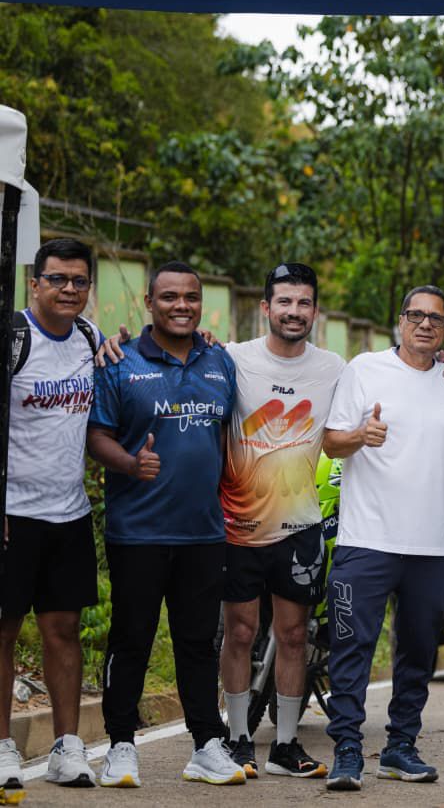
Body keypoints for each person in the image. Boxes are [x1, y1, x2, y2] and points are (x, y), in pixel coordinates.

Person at [87, 262, 242, 787]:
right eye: (170, 297)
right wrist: (131, 464)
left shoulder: (220, 361)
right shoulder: (120, 361)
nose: (182, 306)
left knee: (198, 644)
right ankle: (120, 746)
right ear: (149, 303)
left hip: (204, 532)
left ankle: (206, 745)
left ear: (202, 304)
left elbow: (226, 435)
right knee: (131, 639)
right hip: (138, 532)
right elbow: (97, 436)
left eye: (191, 297)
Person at [320, 285, 444, 791]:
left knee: (419, 651)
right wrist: (361, 436)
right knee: (351, 649)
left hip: (428, 546)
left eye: (436, 318)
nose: (425, 324)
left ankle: (400, 747)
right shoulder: (363, 369)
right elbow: (331, 442)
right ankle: (346, 749)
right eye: (416, 315)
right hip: (367, 540)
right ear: (400, 321)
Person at [218, 263, 345, 779]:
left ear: (315, 311)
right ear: (265, 307)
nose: (295, 312)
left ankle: (287, 746)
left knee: (294, 637)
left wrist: (442, 359)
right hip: (239, 524)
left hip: (300, 526)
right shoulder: (231, 358)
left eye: (304, 303)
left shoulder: (335, 368)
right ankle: (236, 740)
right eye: (285, 302)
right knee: (239, 631)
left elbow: (392, 374)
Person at [0, 239, 102, 788]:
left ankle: (68, 748)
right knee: (4, 631)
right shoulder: (13, 337)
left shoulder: (89, 339)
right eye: (58, 279)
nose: (69, 289)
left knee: (63, 630)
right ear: (34, 283)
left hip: (69, 513)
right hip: (13, 513)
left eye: (79, 281)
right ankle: (2, 749)